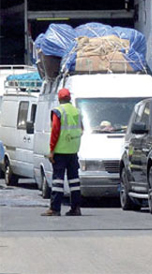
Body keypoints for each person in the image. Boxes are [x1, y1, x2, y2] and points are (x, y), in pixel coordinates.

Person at [41, 88, 83, 217]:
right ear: (69, 98)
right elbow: (81, 129)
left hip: (60, 151)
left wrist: (52, 150)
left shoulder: (58, 112)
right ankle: (76, 208)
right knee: (74, 181)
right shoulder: (77, 111)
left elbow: (55, 131)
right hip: (73, 151)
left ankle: (55, 208)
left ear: (59, 99)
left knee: (58, 181)